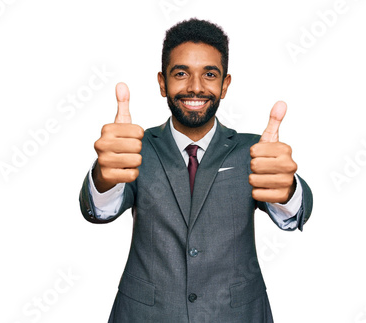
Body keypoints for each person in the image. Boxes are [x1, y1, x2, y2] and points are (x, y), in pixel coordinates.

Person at [79, 18, 313, 323]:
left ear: (225, 85)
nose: (195, 87)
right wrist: (104, 177)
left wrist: (288, 192)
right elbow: (99, 211)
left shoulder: (254, 151)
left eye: (210, 74)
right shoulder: (135, 147)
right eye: (181, 73)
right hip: (146, 315)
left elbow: (295, 214)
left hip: (236, 315)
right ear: (162, 83)